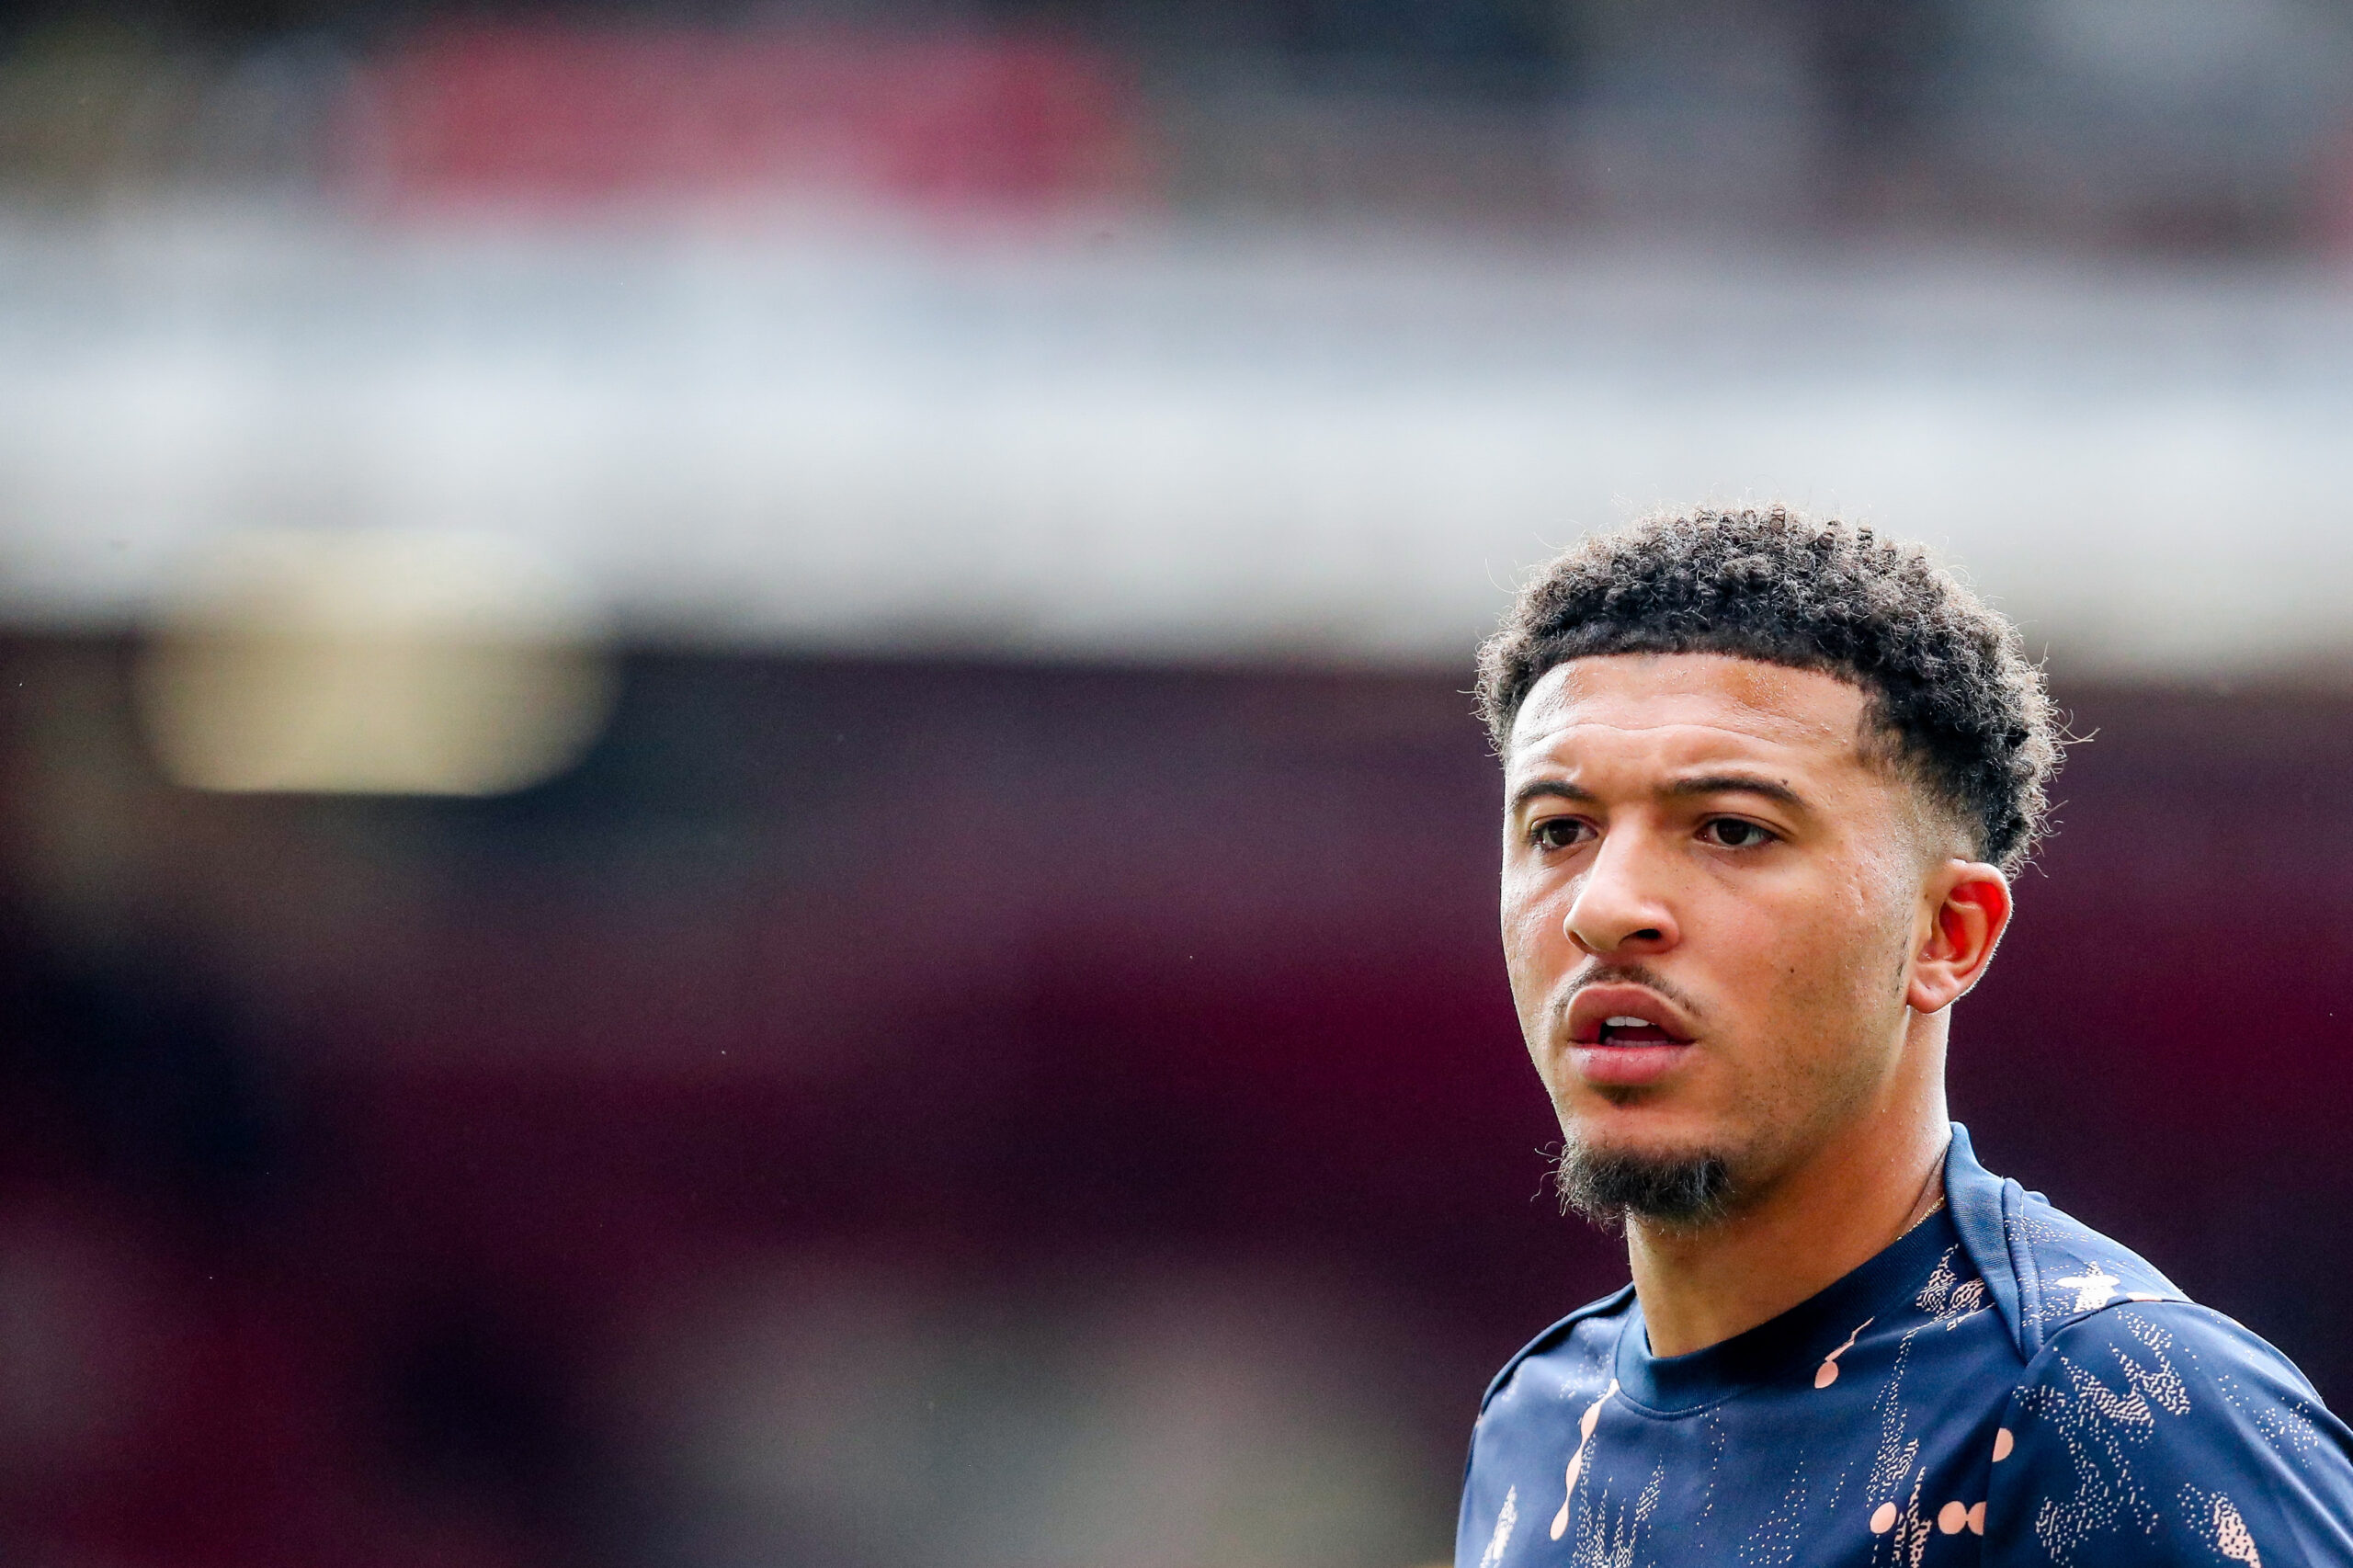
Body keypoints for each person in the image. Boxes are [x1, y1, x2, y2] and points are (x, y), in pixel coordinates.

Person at [1455, 508, 2353, 1567]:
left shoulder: (2112, 1408)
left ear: (1945, 934)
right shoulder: (1540, 1423)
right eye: (1559, 829)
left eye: (1731, 828)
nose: (1604, 907)